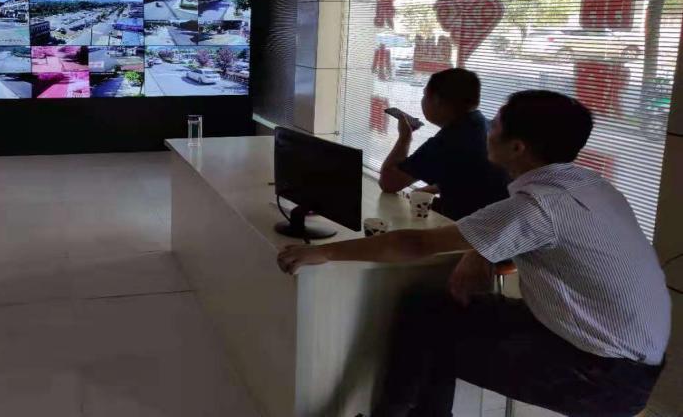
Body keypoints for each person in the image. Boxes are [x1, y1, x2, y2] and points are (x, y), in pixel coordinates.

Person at [277, 90, 670, 417]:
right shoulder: (589, 185)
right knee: (428, 312)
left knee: (432, 337)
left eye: (495, 125)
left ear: (517, 147)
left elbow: (416, 244)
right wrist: (479, 251)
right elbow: (536, 241)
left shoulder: (537, 206)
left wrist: (326, 254)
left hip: (602, 374)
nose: (487, 130)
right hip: (622, 350)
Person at [378, 68, 510, 221]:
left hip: (468, 226)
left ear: (436, 100)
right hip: (497, 222)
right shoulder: (484, 125)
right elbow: (469, 175)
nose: (422, 100)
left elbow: (388, 183)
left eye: (424, 95)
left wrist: (405, 136)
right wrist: (429, 190)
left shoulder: (450, 141)